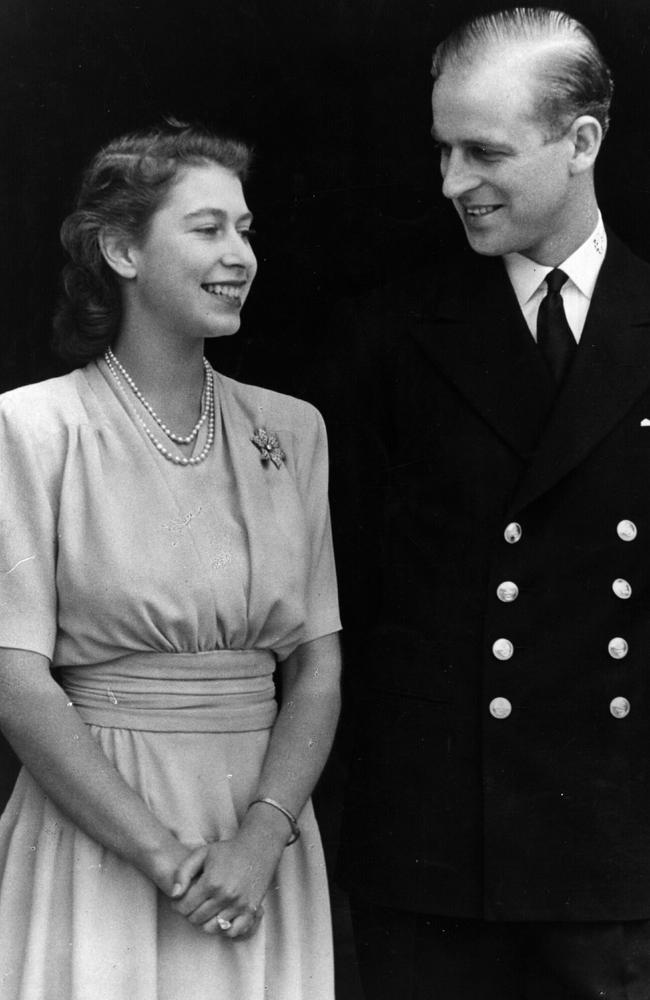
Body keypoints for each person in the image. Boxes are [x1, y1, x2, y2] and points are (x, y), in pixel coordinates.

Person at [332, 7, 650, 998]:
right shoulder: (385, 337)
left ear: (580, 140)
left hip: (616, 849)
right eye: (440, 151)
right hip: (437, 854)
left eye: (483, 152)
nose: (450, 183)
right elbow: (346, 586)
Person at [0, 123, 341, 1000]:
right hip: (101, 834)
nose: (241, 254)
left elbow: (317, 664)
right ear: (121, 248)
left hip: (260, 844)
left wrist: (262, 839)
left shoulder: (292, 431)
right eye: (207, 228)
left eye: (246, 228)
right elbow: (15, 677)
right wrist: (163, 856)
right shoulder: (34, 431)